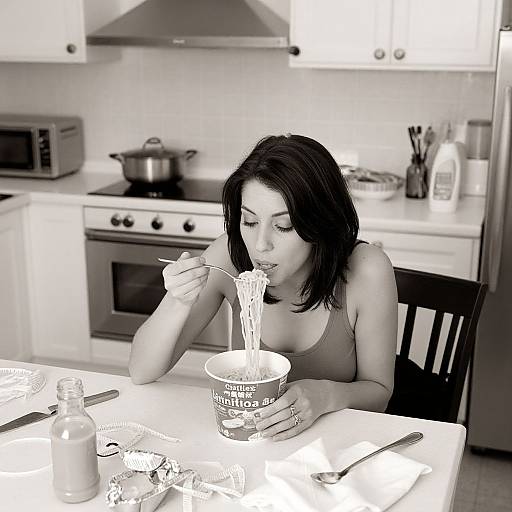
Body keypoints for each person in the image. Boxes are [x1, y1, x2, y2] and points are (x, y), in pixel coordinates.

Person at [129, 134, 398, 441]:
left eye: (283, 226)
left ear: (320, 223)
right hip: (250, 447)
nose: (260, 245)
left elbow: (380, 395)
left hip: (337, 449)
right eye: (249, 221)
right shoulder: (229, 256)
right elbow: (141, 371)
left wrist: (326, 395)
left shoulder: (368, 270)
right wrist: (177, 300)